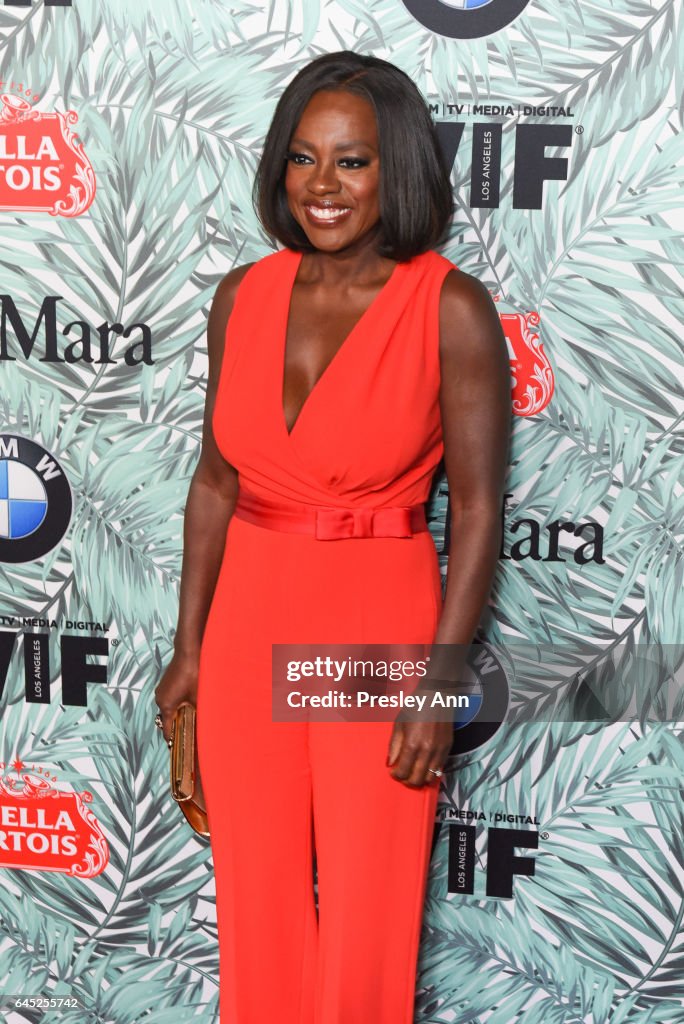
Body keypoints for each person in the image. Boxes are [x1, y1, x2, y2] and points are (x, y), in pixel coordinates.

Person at [154, 50, 510, 1024]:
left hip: (374, 631)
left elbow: (478, 510)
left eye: (351, 162)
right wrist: (189, 652)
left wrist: (440, 685)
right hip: (247, 621)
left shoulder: (450, 308)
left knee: (367, 912)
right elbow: (217, 481)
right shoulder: (243, 296)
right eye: (303, 159)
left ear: (395, 169)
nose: (322, 185)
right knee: (256, 905)